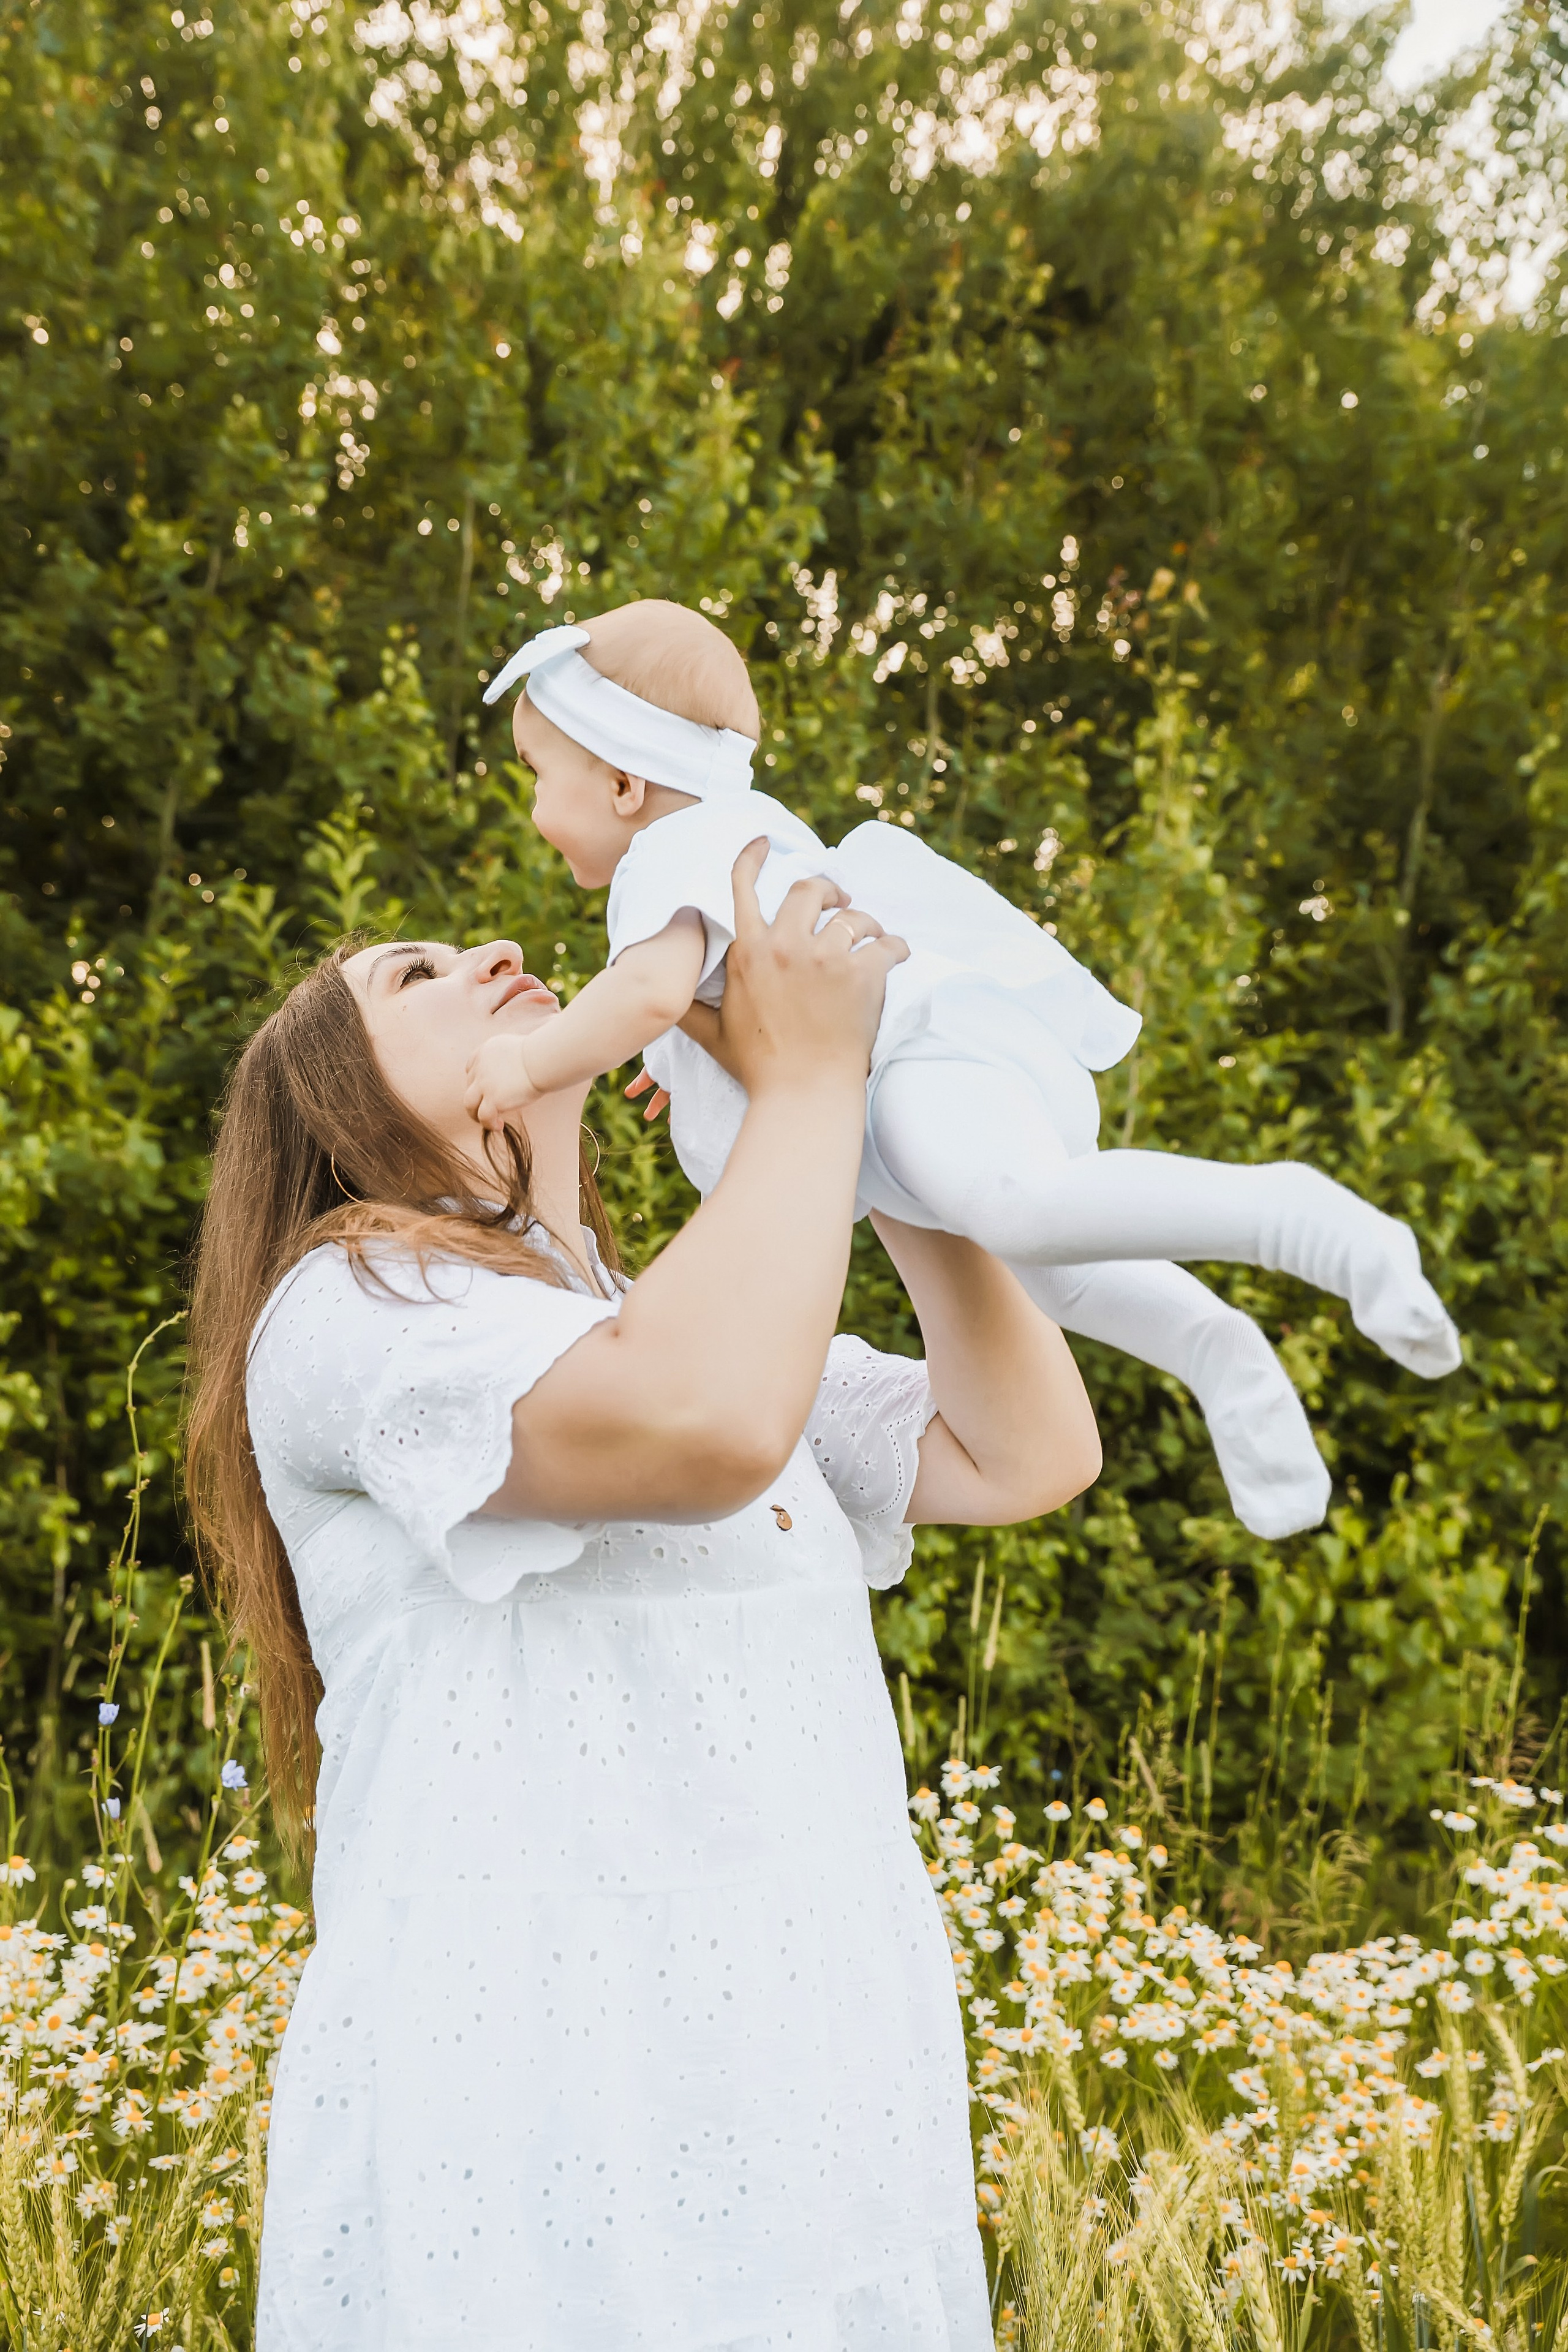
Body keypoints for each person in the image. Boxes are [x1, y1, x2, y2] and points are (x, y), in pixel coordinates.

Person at [184, 844, 1102, 2350]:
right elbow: (704, 1428)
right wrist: (802, 1092)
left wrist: (875, 1139)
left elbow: (1018, 1451)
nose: (486, 946)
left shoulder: (644, 1313)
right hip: (545, 2101)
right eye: (412, 974)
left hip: (798, 2085)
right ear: (337, 1110)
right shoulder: (342, 1312)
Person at [469, 599, 1462, 1542]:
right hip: (900, 1090)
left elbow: (644, 994)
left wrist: (522, 1064)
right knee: (1062, 1285)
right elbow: (692, 1008)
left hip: (919, 1058)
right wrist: (678, 1061)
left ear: (623, 784)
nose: (532, 812)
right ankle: (1219, 1354)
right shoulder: (722, 841)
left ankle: (1298, 1217)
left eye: (533, 776)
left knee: (1026, 1213)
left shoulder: (670, 852)